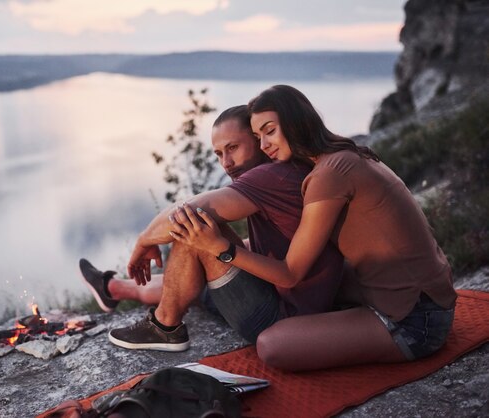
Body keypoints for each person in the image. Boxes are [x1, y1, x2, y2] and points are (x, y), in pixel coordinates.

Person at [169, 85, 457, 371]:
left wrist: (222, 249)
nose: (264, 144)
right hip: (427, 297)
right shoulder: (346, 155)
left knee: (272, 345)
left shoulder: (329, 175)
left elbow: (290, 274)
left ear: (296, 121)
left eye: (270, 131)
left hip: (416, 322)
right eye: (258, 137)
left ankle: (164, 320)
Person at [81, 105, 343, 352]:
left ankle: (164, 326)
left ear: (258, 141)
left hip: (282, 319)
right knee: (193, 266)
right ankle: (113, 288)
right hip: (283, 297)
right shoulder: (288, 170)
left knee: (193, 228)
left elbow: (186, 213)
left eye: (233, 148)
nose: (226, 162)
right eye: (219, 154)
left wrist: (143, 241)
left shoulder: (270, 176)